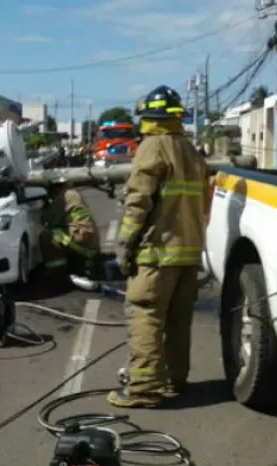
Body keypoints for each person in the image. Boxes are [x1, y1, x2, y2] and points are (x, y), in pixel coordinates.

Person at [110, 85, 212, 408]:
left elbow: (137, 203)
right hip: (189, 254)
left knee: (146, 315)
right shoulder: (192, 151)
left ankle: (142, 390)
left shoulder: (152, 148)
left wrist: (124, 247)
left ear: (149, 117)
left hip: (157, 254)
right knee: (178, 320)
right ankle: (173, 379)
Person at [39, 181, 103, 279]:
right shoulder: (73, 194)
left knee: (47, 235)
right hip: (91, 245)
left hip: (82, 245)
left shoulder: (64, 197)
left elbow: (48, 220)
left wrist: (45, 208)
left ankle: (58, 274)